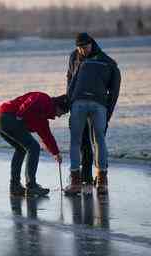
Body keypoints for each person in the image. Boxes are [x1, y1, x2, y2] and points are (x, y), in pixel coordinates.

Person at [65, 32, 121, 196]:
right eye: (79, 48)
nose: (82, 51)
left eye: (85, 47)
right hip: (86, 104)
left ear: (92, 44)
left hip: (89, 103)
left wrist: (107, 111)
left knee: (94, 141)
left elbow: (114, 89)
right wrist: (69, 102)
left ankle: (98, 181)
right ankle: (83, 181)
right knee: (89, 142)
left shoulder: (107, 62)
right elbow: (69, 79)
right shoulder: (77, 57)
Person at [0, 92, 69, 197]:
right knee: (34, 147)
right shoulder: (45, 99)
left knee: (21, 149)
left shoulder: (43, 118)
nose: (59, 116)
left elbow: (47, 136)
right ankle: (31, 186)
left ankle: (15, 186)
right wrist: (19, 115)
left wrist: (56, 153)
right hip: (7, 116)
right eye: (62, 112)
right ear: (58, 106)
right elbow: (31, 101)